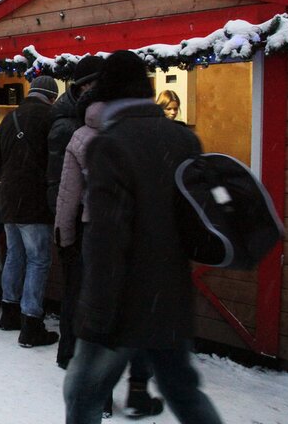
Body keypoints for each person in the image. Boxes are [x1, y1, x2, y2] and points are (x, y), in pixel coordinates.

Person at [63, 51, 223, 424]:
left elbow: (106, 239)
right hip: (170, 300)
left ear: (108, 93)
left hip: (121, 304)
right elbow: (194, 226)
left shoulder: (109, 145)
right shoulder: (183, 139)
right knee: (184, 392)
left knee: (82, 395)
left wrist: (96, 316)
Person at [45, 56, 105, 366]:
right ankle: (71, 352)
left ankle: (72, 351)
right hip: (78, 223)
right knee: (77, 290)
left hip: (82, 221)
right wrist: (63, 229)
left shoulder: (78, 123)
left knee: (80, 290)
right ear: (82, 87)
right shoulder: (69, 126)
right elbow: (62, 184)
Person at [0, 75, 59, 347]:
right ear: (51, 96)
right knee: (38, 260)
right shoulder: (51, 118)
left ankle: (9, 313)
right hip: (34, 199)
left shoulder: (9, 119)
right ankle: (31, 322)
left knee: (14, 255)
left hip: (9, 197)